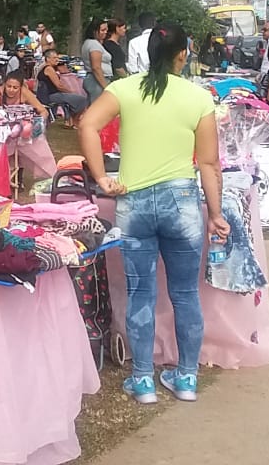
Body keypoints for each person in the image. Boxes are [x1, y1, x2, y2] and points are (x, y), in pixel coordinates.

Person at [78, 23, 228, 405]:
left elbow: (88, 125)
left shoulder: (124, 89)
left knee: (140, 292)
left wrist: (101, 178)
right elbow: (209, 164)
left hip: (135, 202)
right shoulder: (198, 97)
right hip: (181, 203)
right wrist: (215, 213)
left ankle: (143, 379)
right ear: (183, 54)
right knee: (185, 295)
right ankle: (187, 378)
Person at [36, 50, 89, 127]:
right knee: (82, 100)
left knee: (72, 100)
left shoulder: (43, 67)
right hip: (51, 96)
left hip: (46, 95)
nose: (57, 60)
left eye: (57, 58)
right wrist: (71, 92)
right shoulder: (49, 69)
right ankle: (74, 121)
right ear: (48, 59)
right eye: (54, 58)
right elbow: (59, 86)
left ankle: (70, 121)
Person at [81, 18, 112, 103]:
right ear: (94, 31)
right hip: (97, 82)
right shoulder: (93, 44)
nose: (105, 32)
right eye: (102, 30)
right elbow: (96, 67)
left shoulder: (90, 43)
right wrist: (106, 87)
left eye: (106, 30)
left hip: (96, 80)